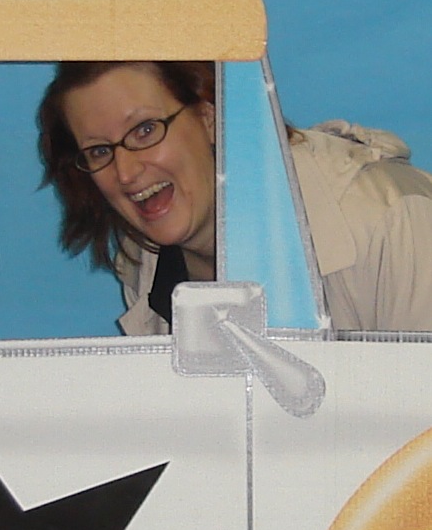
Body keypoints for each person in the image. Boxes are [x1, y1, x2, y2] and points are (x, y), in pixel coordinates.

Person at [37, 60, 432, 334]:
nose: (125, 172)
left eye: (145, 130)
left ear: (209, 116)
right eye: (100, 151)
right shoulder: (143, 259)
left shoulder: (393, 221)